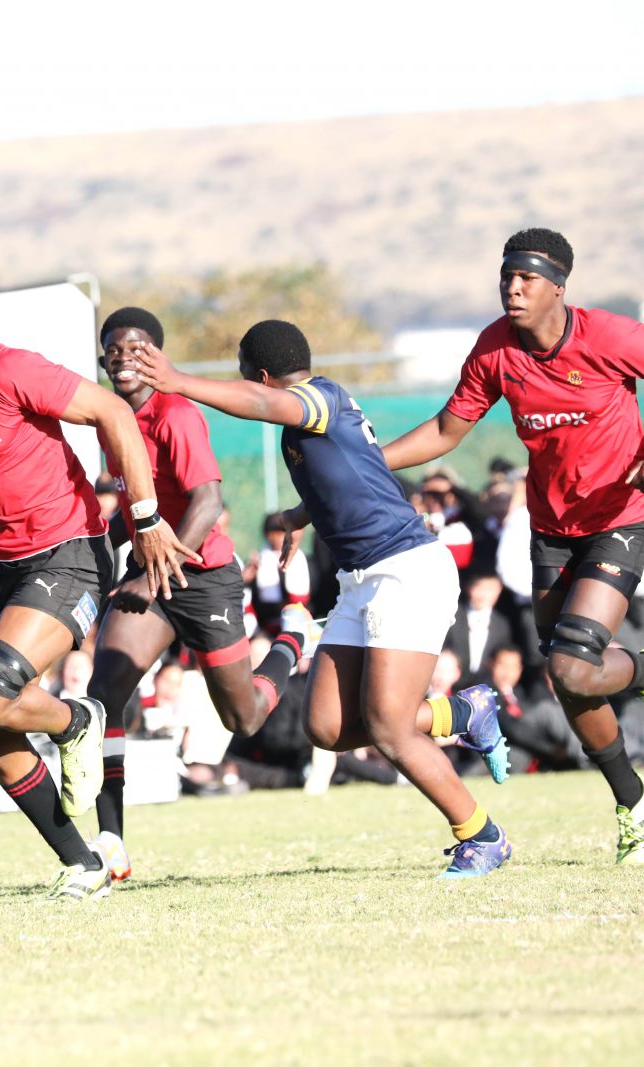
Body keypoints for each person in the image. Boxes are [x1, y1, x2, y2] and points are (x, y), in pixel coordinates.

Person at [380, 228, 644, 865]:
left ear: (558, 287)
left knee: (571, 663)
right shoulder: (493, 350)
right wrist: (369, 461)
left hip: (621, 515)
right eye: (507, 276)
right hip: (552, 528)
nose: (513, 288)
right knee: (571, 681)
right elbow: (448, 430)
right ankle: (633, 797)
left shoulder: (608, 337)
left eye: (527, 278)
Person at [134, 319, 512, 878]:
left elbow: (267, 403)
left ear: (260, 374)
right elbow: (356, 477)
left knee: (389, 728)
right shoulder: (313, 423)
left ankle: (481, 835)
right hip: (363, 579)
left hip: (405, 570)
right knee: (329, 727)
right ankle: (463, 710)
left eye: (249, 378)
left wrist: (178, 380)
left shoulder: (319, 397)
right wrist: (299, 512)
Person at [0, 270, 198, 899]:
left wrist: (148, 517)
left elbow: (111, 412)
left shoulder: (7, 368)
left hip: (68, 548)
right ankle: (83, 862)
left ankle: (77, 721)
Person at [87, 307, 340, 881]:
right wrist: (102, 558)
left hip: (203, 579)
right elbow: (134, 513)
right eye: (113, 349)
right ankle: (110, 844)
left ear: (157, 355)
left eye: (137, 348)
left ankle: (292, 642)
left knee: (244, 718)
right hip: (154, 578)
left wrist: (151, 574)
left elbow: (206, 505)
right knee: (105, 694)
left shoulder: (176, 414)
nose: (124, 357)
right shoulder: (111, 423)